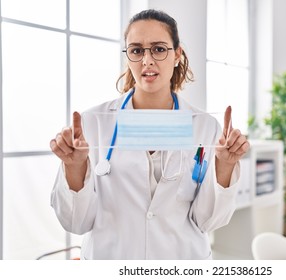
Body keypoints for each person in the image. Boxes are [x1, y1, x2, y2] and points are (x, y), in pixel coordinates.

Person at [50, 9, 250, 260]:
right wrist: (75, 168)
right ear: (128, 57)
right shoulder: (92, 124)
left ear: (177, 55)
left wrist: (225, 166)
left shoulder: (204, 126)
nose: (147, 60)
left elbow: (207, 221)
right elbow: (76, 223)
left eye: (158, 49)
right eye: (136, 50)